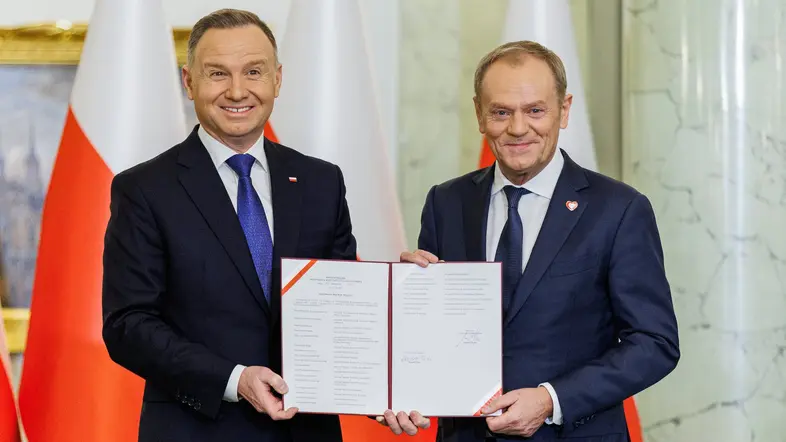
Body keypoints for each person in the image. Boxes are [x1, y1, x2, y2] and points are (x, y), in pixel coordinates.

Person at [385, 41, 680, 441]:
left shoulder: (619, 209)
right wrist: (407, 301)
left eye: (535, 110)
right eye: (501, 112)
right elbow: (435, 338)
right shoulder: (446, 201)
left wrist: (550, 400)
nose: (518, 128)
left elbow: (654, 342)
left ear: (565, 110)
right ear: (479, 114)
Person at [101, 9, 356, 442]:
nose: (238, 90)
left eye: (253, 71)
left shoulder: (321, 181)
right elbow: (127, 325)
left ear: (277, 79)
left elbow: (345, 303)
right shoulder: (144, 189)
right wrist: (234, 379)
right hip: (196, 429)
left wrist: (404, 289)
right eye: (218, 73)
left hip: (305, 430)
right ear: (189, 82)